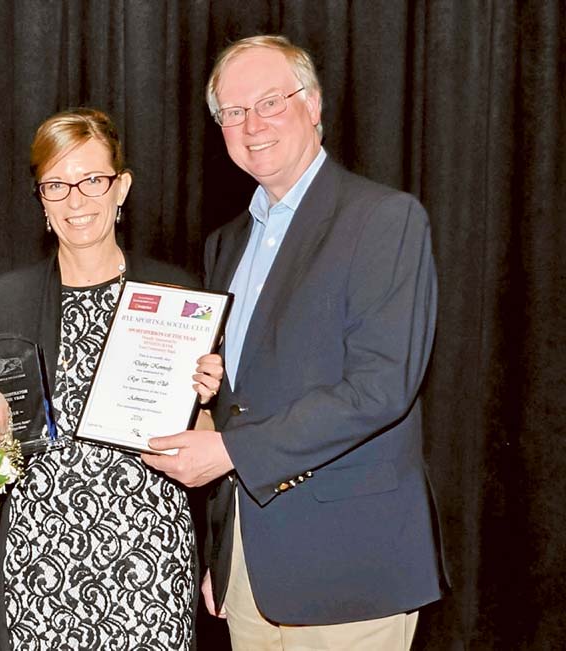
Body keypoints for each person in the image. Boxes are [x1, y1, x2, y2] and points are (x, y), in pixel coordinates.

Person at [143, 35, 444, 649]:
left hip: (351, 566)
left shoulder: (385, 220)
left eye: (270, 102)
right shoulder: (227, 244)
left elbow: (381, 388)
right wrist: (224, 558)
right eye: (233, 111)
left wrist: (230, 452)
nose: (252, 124)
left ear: (314, 106)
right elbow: (242, 400)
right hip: (251, 572)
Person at [0, 108, 223, 650]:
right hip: (39, 561)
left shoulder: (180, 294)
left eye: (92, 180)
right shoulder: (7, 301)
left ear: (122, 188)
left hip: (149, 559)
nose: (76, 200)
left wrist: (206, 398)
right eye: (57, 185)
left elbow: (209, 445)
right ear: (41, 200)